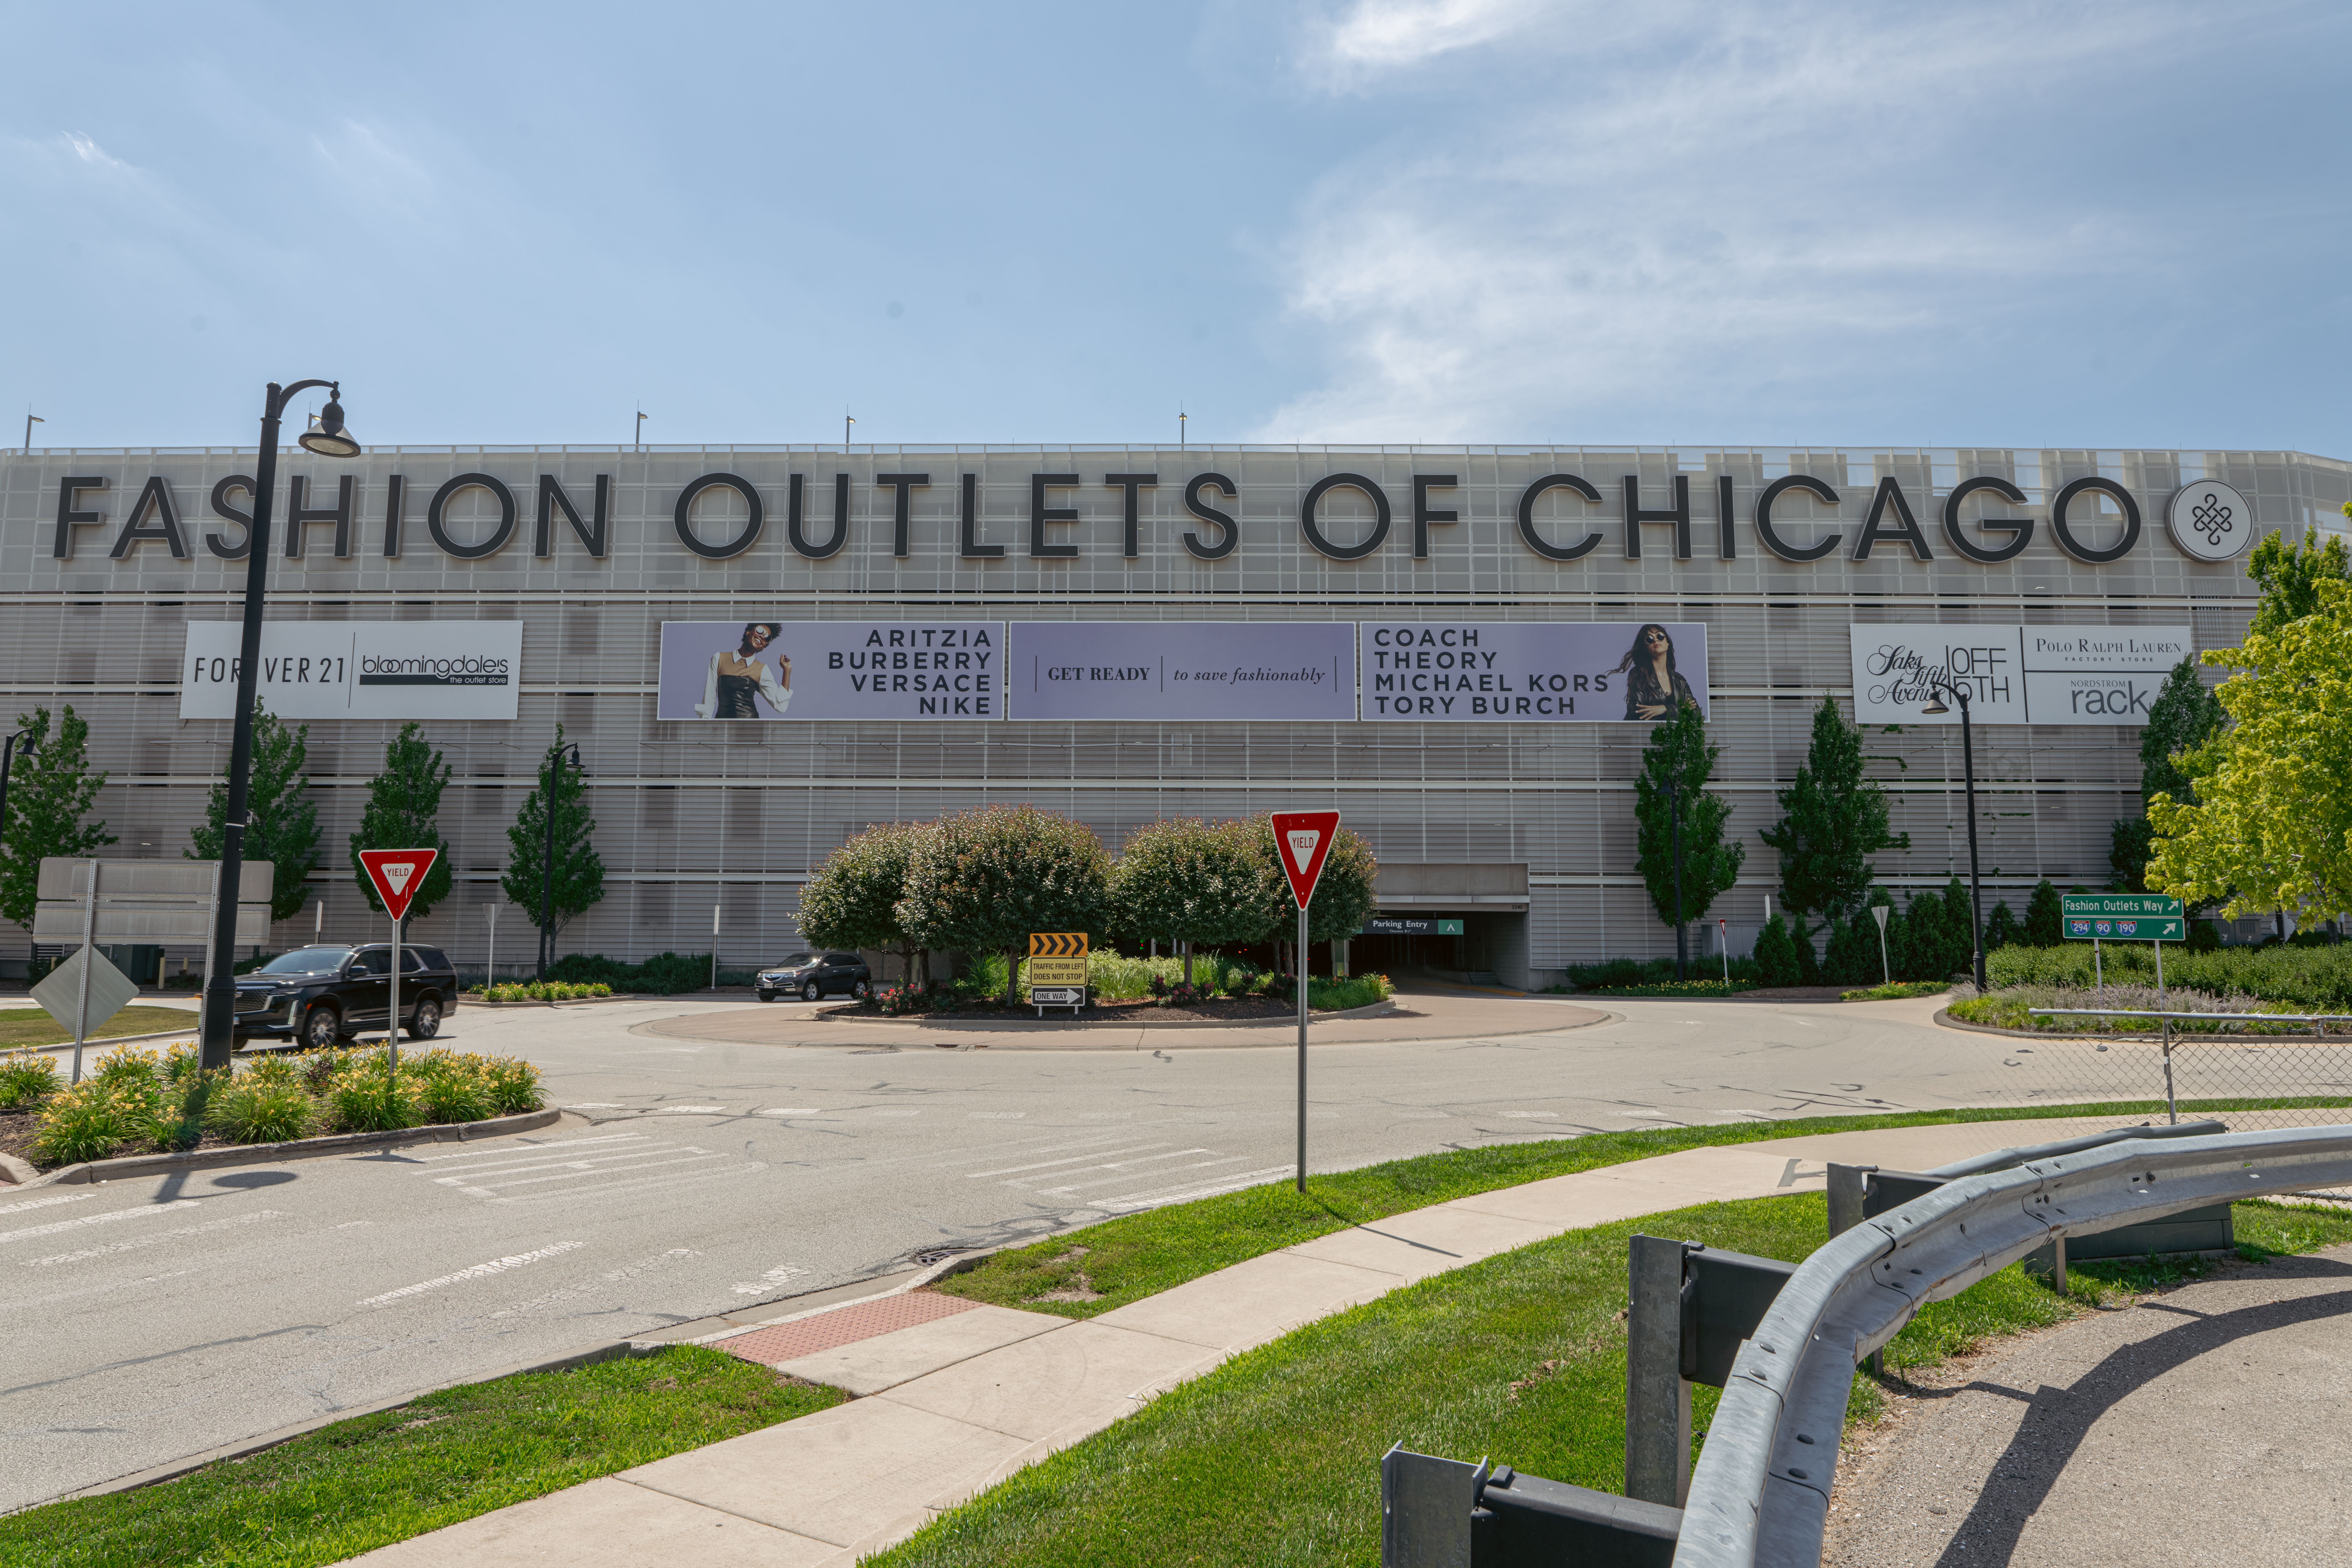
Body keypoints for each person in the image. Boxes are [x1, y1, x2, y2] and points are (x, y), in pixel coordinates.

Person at [696, 622, 791, 719]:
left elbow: (781, 707)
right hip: (722, 725)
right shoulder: (720, 658)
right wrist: (705, 725)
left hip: (749, 728)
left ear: (764, 646)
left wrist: (787, 671)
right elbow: (709, 699)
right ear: (748, 632)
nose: (762, 637)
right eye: (760, 631)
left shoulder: (762, 669)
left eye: (767, 638)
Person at [1613, 623, 1697, 721]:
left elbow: (1696, 714)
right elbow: (1641, 714)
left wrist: (1666, 709)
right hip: (1645, 734)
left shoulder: (1680, 680)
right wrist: (1681, 710)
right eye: (1649, 639)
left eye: (1660, 636)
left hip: (1674, 736)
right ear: (1645, 648)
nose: (1656, 640)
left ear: (1668, 642)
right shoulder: (1639, 675)